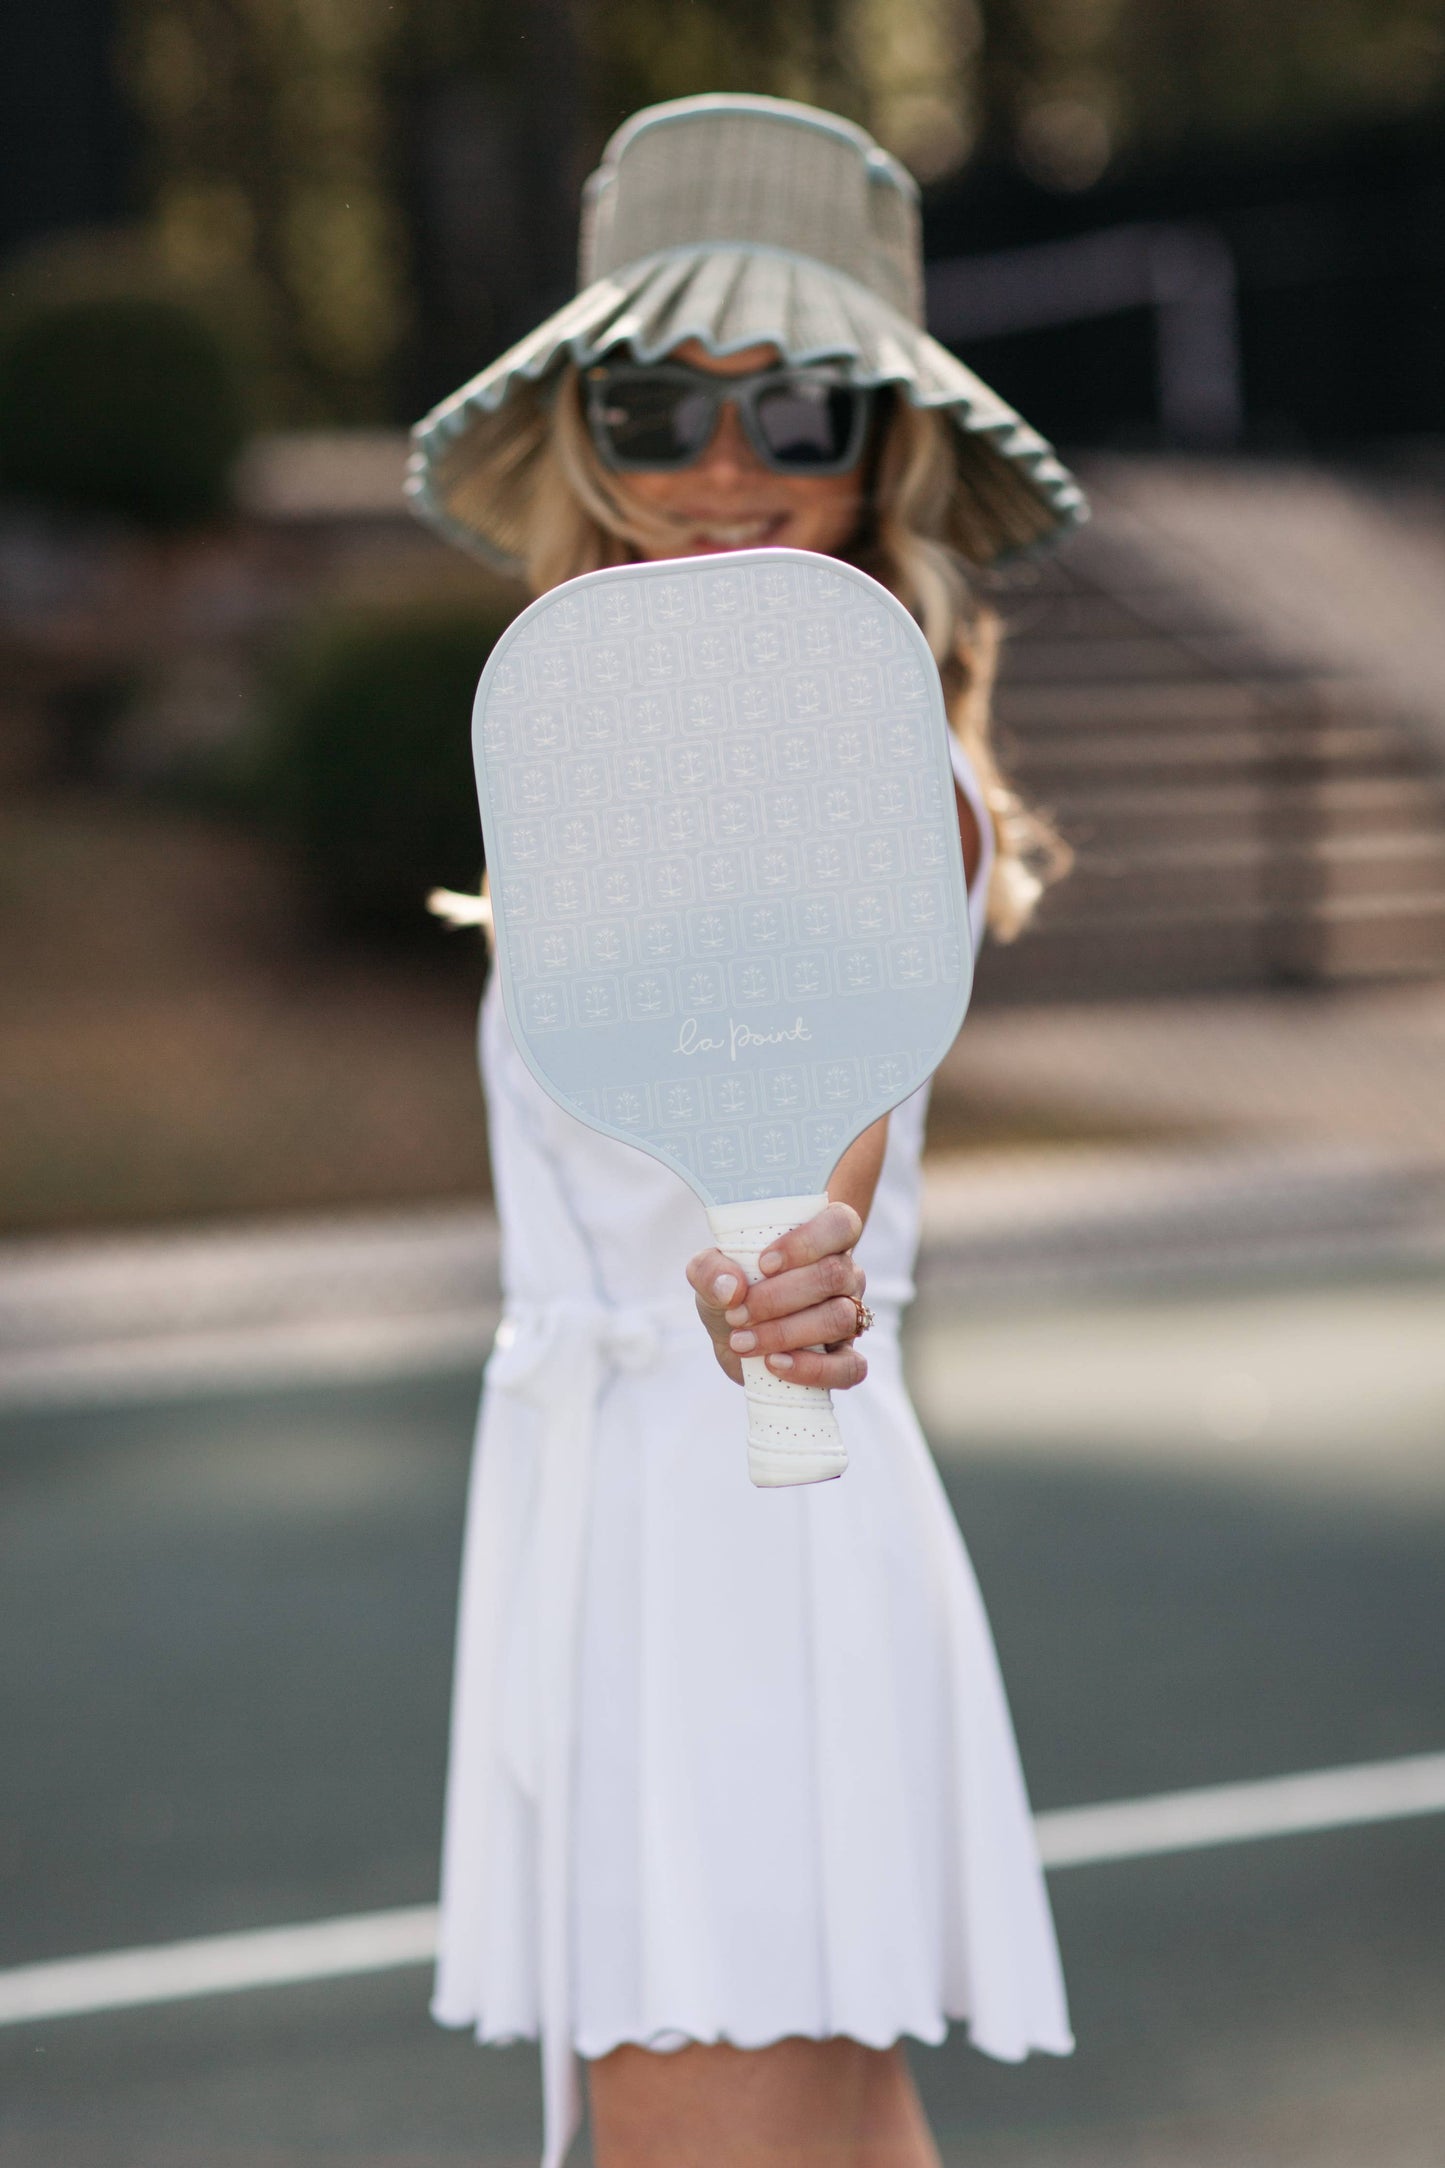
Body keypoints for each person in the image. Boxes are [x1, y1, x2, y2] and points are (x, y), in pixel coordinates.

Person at [409, 92, 1085, 2168]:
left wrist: (799, 1263)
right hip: (621, 1503)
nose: (720, 464)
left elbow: (832, 1125)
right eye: (652, 402)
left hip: (735, 1515)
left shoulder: (877, 768)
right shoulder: (619, 737)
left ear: (884, 447)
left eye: (793, 410)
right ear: (583, 436)